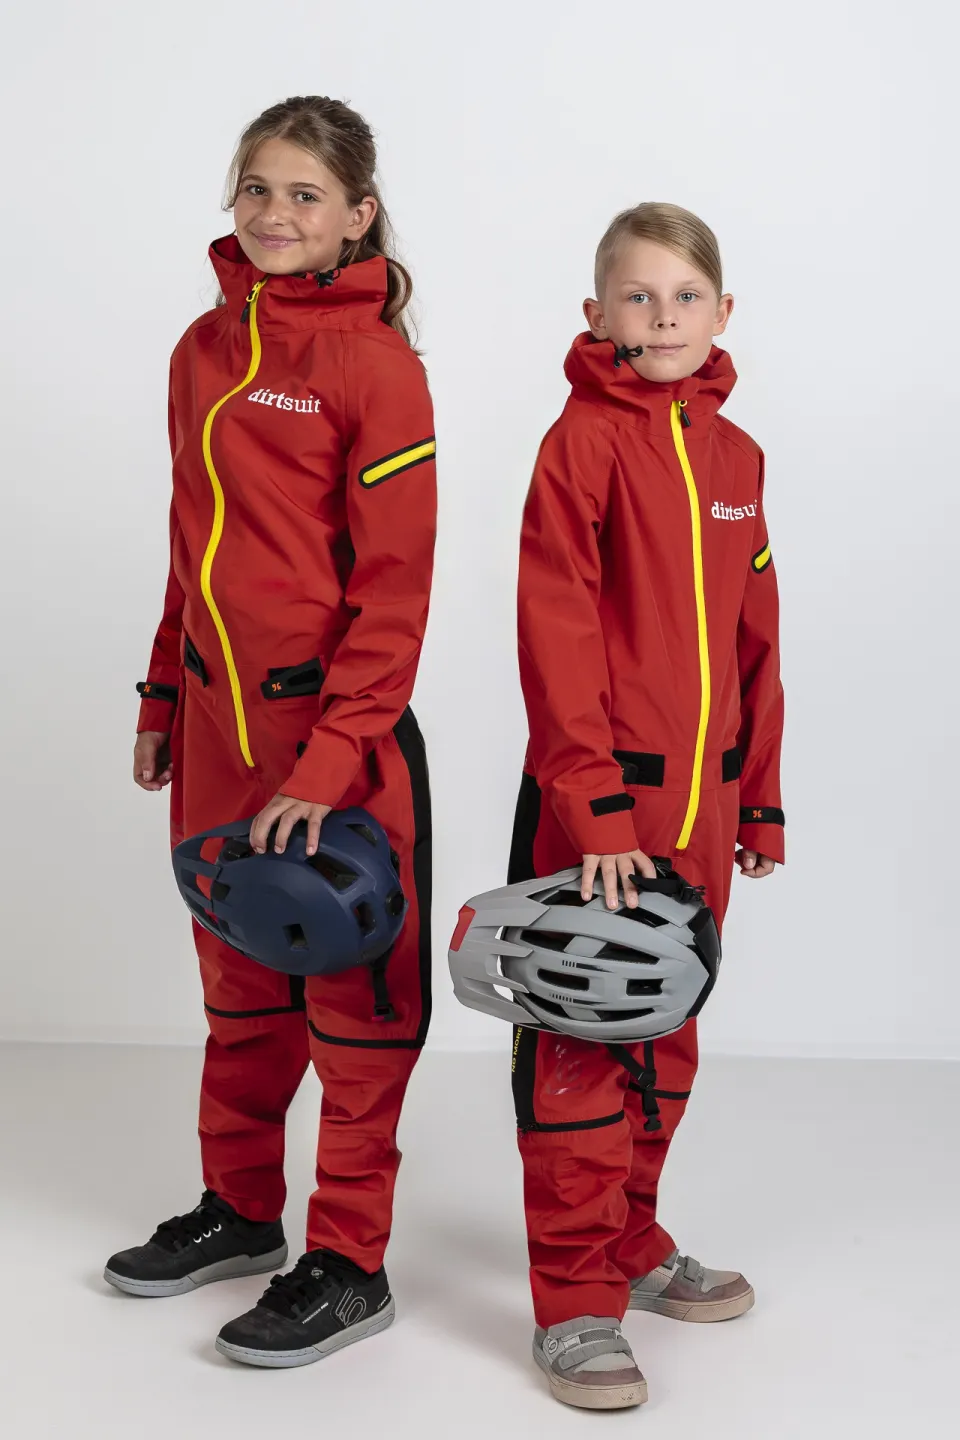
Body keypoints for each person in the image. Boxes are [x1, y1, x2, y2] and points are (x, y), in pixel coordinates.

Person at [104, 96, 437, 1371]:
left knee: (353, 1008)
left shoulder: (378, 368)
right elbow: (191, 546)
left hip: (331, 745)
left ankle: (350, 1264)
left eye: (306, 194)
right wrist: (160, 694)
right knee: (240, 991)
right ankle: (241, 1212)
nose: (275, 212)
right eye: (256, 187)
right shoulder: (201, 349)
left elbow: (394, 596)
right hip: (213, 731)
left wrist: (329, 763)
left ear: (358, 216)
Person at [508, 202, 784, 1409]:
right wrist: (594, 806)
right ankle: (573, 1301)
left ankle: (629, 1235)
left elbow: (756, 634)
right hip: (604, 812)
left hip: (707, 810)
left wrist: (760, 794)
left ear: (722, 312)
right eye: (638, 295)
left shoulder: (738, 459)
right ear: (597, 313)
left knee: (668, 1029)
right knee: (584, 1035)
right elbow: (556, 634)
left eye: (685, 296)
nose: (663, 317)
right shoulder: (581, 444)